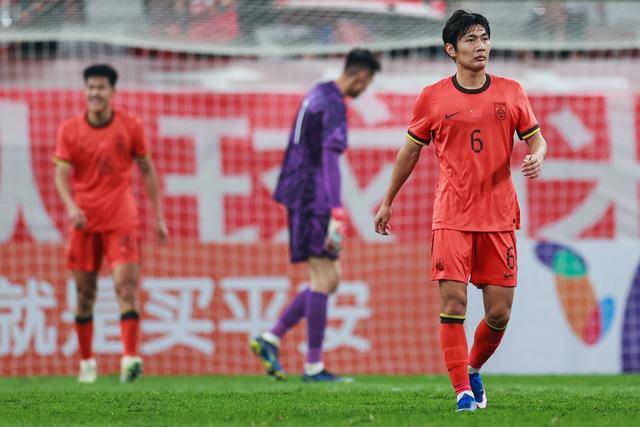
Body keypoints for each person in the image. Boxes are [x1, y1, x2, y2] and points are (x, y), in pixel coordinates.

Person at [374, 10, 547, 411]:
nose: (480, 46)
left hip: (499, 216)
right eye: (470, 39)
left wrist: (537, 156)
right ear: (451, 49)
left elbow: (537, 140)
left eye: (484, 38)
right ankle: (463, 393)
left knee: (499, 314)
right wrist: (387, 201)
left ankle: (471, 368)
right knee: (453, 305)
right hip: (451, 215)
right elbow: (409, 151)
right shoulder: (432, 97)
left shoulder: (511, 92)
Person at [250, 48, 380, 382]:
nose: (364, 89)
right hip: (314, 198)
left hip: (302, 193)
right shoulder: (333, 103)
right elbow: (329, 158)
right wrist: (336, 208)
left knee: (329, 279)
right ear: (360, 76)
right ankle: (313, 366)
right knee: (323, 278)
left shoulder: (317, 93)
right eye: (366, 83)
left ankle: (271, 338)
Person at [54, 64, 168, 383]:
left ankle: (129, 358)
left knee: (126, 287)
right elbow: (61, 176)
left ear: (113, 92)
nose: (95, 93)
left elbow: (147, 170)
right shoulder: (70, 129)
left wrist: (159, 216)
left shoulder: (130, 126)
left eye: (101, 87)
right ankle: (87, 362)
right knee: (84, 294)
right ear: (84, 91)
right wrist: (71, 207)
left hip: (121, 221)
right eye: (90, 87)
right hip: (85, 222)